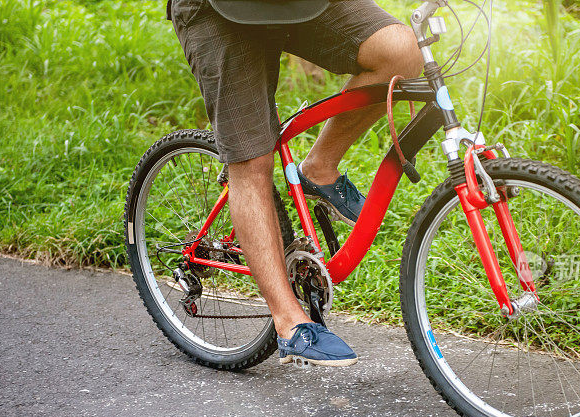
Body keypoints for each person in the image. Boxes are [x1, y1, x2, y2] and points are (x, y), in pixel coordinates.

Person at [167, 0, 422, 366]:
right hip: (221, 9)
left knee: (402, 52)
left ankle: (319, 167)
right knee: (252, 161)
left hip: (301, 3)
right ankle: (288, 321)